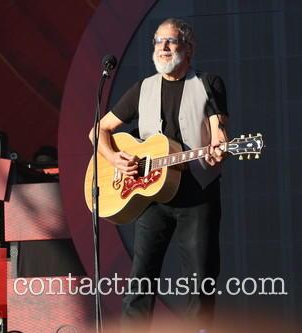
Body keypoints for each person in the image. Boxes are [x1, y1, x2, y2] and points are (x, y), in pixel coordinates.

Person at [91, 18, 228, 329]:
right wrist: (114, 158)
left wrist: (220, 147)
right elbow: (99, 131)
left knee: (200, 281)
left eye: (171, 41)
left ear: (188, 48)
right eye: (158, 41)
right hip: (152, 198)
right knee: (140, 280)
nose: (163, 48)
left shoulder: (208, 84)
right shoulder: (143, 88)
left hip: (197, 196)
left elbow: (220, 134)